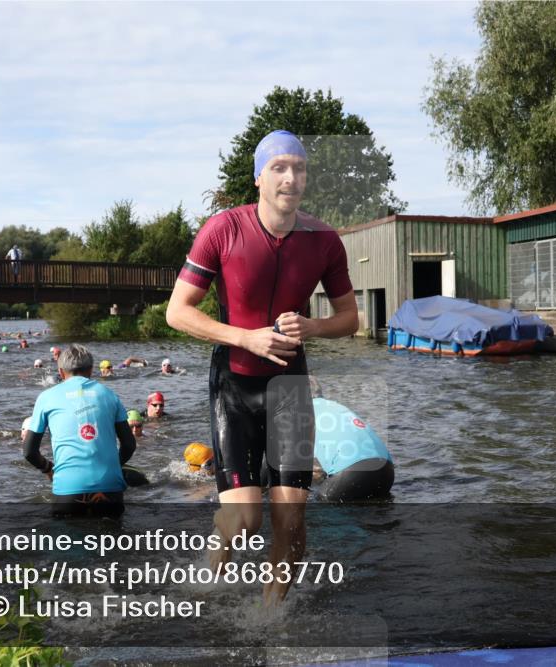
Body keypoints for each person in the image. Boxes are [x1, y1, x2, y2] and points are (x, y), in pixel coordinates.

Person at [165, 129, 358, 604]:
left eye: (299, 168)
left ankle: (270, 620)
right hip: (234, 384)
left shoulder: (325, 241)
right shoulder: (223, 229)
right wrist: (244, 336)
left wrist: (312, 329)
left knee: (290, 520)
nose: (290, 178)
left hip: (289, 387)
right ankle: (220, 543)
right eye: (279, 167)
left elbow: (351, 319)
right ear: (258, 178)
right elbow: (177, 311)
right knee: (247, 521)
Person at [22, 344, 137, 517]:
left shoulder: (46, 398)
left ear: (61, 372)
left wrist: (48, 469)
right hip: (110, 489)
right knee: (113, 540)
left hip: (69, 491)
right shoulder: (109, 395)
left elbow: (29, 451)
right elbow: (129, 445)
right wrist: (113, 465)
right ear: (91, 370)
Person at [310, 398, 394, 502]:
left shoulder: (299, 412)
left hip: (352, 473)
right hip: (387, 471)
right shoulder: (333, 406)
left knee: (315, 502)